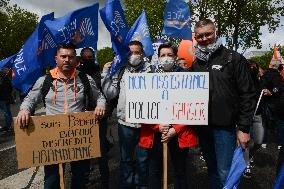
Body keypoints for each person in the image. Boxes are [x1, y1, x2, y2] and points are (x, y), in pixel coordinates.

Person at [16, 44, 106, 189]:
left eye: (70, 57)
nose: (67, 60)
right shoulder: (45, 80)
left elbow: (100, 97)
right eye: (63, 56)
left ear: (76, 60)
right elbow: (30, 99)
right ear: (56, 59)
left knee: (80, 179)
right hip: (53, 140)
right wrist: (24, 110)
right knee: (51, 181)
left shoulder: (84, 78)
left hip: (79, 137)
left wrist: (100, 106)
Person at [190, 19, 256, 189]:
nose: (204, 38)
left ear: (215, 33)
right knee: (211, 170)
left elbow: (248, 94)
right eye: (200, 36)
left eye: (208, 34)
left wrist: (244, 128)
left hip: (225, 129)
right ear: (195, 38)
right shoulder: (196, 64)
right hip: (203, 128)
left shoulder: (234, 58)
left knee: (225, 172)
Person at [139, 42, 198, 189]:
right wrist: (158, 126)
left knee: (180, 171)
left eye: (170, 55)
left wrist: (175, 129)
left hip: (179, 131)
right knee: (154, 170)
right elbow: (142, 107)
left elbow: (193, 107)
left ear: (176, 57)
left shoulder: (187, 77)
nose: (166, 58)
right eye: (162, 55)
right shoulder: (149, 77)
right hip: (156, 131)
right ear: (158, 58)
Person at [101, 41, 154, 189]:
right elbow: (111, 94)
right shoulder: (121, 71)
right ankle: (127, 185)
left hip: (145, 124)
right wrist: (106, 74)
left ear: (142, 54)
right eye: (130, 53)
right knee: (126, 159)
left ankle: (142, 185)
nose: (133, 55)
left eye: (137, 52)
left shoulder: (152, 71)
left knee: (143, 159)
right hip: (125, 123)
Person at [78, 47, 111, 188]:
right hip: (81, 119)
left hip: (99, 116)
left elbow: (104, 93)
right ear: (80, 58)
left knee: (101, 152)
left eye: (90, 57)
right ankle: (84, 178)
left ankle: (105, 182)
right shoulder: (78, 74)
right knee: (83, 153)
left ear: (94, 57)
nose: (88, 59)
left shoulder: (98, 72)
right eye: (85, 57)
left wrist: (104, 110)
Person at [243, 60, 265, 179]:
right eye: (250, 67)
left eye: (254, 67)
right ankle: (246, 165)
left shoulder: (260, 82)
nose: (253, 69)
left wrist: (269, 92)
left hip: (258, 115)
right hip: (245, 115)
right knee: (245, 141)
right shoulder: (242, 82)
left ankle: (249, 156)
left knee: (258, 141)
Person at [261, 59, 284, 173]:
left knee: (265, 122)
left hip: (264, 103)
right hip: (275, 103)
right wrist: (272, 93)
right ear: (278, 67)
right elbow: (278, 88)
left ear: (270, 65)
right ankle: (280, 143)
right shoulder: (277, 76)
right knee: (279, 123)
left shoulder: (264, 74)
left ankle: (264, 142)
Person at [0, 67, 13, 132]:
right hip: (6, 98)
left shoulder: (3, 81)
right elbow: (10, 89)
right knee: (7, 112)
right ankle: (9, 125)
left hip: (3, 98)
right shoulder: (7, 79)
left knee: (6, 112)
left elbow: (3, 89)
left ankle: (8, 126)